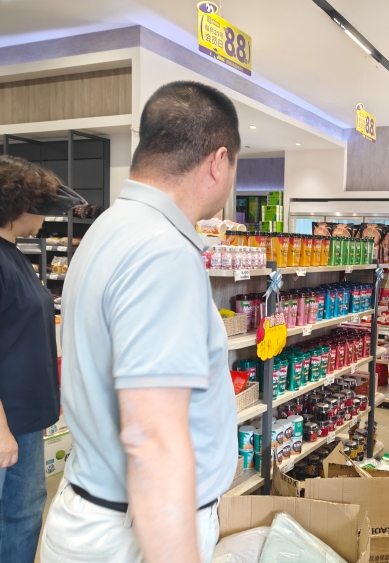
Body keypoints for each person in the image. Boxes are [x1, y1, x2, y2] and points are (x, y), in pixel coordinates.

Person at [41, 81, 241, 563]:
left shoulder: (111, 228)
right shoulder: (163, 252)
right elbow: (154, 441)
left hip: (99, 514)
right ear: (218, 162)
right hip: (133, 534)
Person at [0, 156, 85, 563]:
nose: (47, 217)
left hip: (25, 421)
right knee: (16, 515)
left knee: (24, 513)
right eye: (40, 206)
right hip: (7, 422)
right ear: (18, 205)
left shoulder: (14, 254)